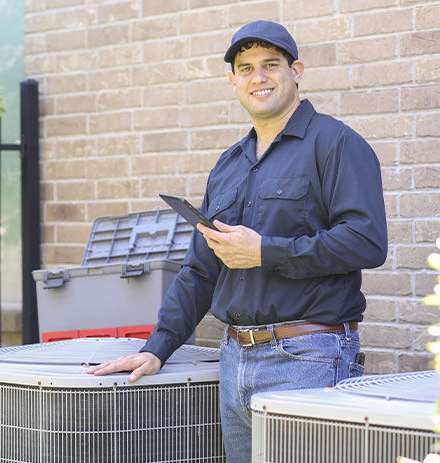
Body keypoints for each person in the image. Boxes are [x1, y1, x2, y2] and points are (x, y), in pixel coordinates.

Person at [87, 20, 388, 462]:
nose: (258, 77)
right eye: (245, 68)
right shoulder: (228, 165)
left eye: (271, 64)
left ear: (296, 70)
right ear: (232, 80)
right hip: (234, 361)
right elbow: (200, 269)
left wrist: (266, 251)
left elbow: (367, 242)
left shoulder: (336, 144)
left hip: (308, 357)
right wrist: (157, 348)